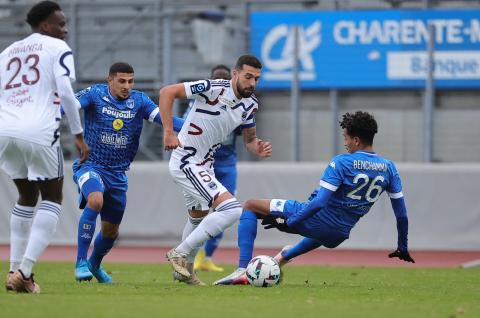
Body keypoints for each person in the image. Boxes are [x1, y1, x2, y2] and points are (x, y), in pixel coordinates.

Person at [214, 111, 415, 285]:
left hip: (315, 220)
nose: (344, 142)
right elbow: (402, 215)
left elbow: (319, 203)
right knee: (321, 231)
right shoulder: (389, 168)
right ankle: (283, 257)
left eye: (346, 137)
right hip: (339, 234)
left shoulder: (342, 162)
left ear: (356, 140)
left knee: (250, 205)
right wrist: (402, 247)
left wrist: (290, 222)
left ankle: (241, 270)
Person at [160, 54, 272, 286]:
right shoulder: (213, 87)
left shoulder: (251, 105)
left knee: (198, 218)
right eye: (248, 76)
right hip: (186, 160)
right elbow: (167, 92)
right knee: (232, 210)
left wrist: (257, 147)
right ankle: (180, 253)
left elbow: (249, 140)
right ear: (235, 74)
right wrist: (169, 132)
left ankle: (185, 271)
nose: (252, 83)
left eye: (257, 79)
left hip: (205, 165)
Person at [0, 1, 89, 294]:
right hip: (38, 129)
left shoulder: (8, 52)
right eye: (60, 24)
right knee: (52, 197)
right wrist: (78, 133)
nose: (65, 30)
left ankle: (13, 270)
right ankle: (25, 273)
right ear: (44, 26)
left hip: (5, 130)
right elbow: (65, 92)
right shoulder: (56, 48)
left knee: (26, 195)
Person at [73, 62, 184, 284]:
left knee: (111, 232)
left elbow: (164, 119)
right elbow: (69, 105)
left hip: (118, 174)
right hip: (91, 165)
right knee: (95, 200)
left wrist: (197, 128)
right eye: (122, 81)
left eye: (130, 81)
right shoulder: (95, 95)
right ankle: (80, 263)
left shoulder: (139, 101)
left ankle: (95, 264)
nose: (127, 86)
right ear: (110, 80)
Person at [187, 65, 240, 273]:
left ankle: (207, 256)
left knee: (227, 209)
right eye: (217, 79)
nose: (222, 84)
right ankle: (192, 253)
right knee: (201, 209)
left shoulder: (239, 104)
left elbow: (247, 133)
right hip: (204, 162)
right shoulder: (198, 100)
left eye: (225, 79)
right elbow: (183, 124)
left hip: (227, 163)